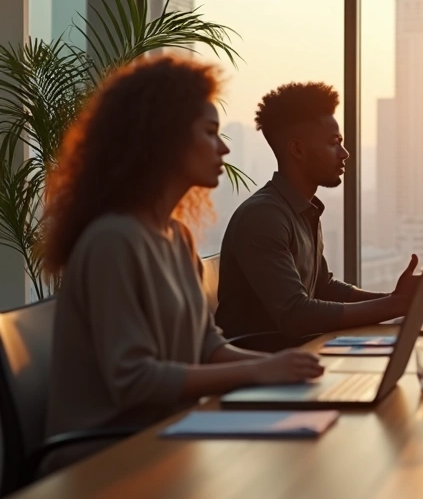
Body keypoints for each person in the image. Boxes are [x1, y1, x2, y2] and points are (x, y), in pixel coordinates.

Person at [41, 56, 325, 472]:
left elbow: (208, 347)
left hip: (169, 438)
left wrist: (275, 366)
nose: (224, 147)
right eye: (209, 133)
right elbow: (135, 380)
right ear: (163, 138)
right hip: (104, 462)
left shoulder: (177, 237)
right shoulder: (111, 241)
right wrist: (258, 371)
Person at [216, 82, 423, 341]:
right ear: (297, 149)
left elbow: (323, 287)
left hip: (298, 353)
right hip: (262, 360)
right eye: (334, 143)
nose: (344, 153)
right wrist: (396, 305)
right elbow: (297, 315)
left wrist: (395, 298)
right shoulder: (264, 217)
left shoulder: (302, 209)